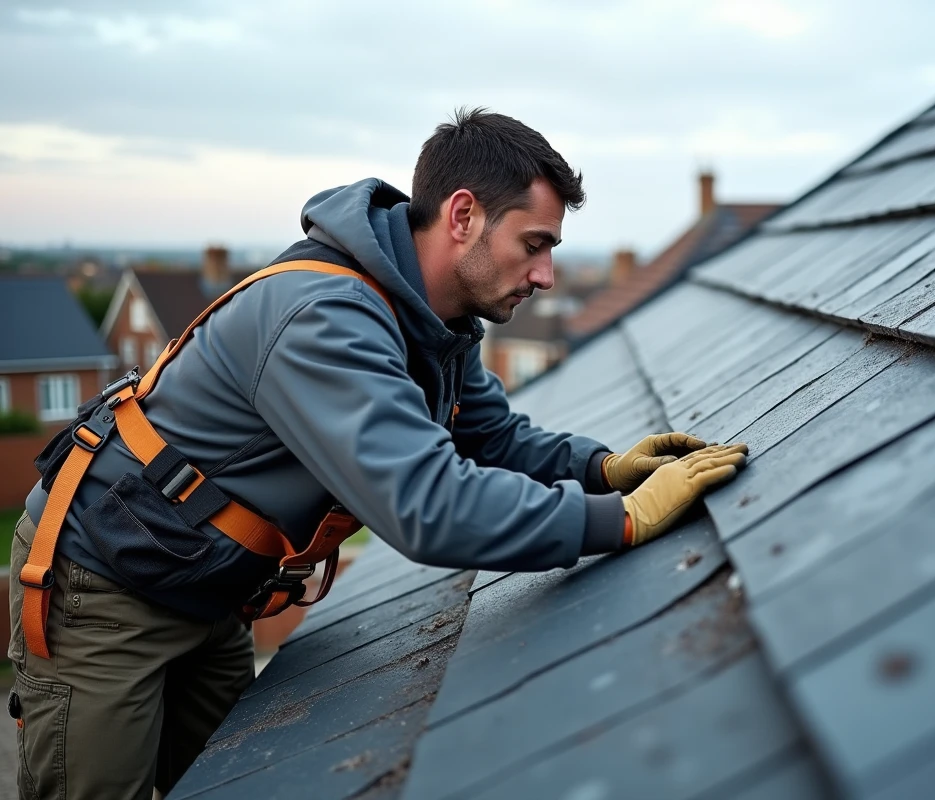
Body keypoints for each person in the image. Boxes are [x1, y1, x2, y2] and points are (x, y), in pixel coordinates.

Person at [7, 107, 748, 800]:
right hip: (103, 586)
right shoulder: (325, 319)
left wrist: (602, 469)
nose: (547, 275)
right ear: (463, 216)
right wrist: (617, 520)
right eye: (536, 244)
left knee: (234, 779)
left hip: (205, 589)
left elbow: (491, 437)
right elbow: (430, 508)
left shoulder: (429, 319)